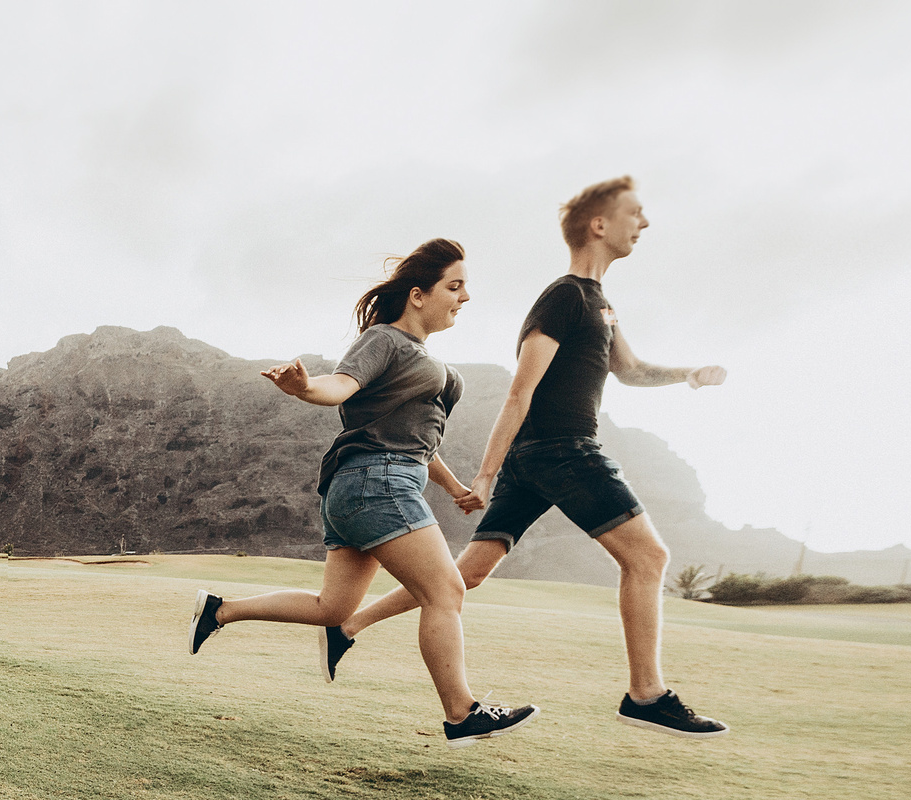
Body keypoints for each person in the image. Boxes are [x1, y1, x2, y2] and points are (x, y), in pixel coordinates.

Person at [329, 176, 731, 737]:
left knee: (469, 571)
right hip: (563, 449)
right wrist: (486, 474)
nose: (644, 223)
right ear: (598, 225)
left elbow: (631, 371)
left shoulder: (601, 304)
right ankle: (646, 694)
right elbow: (522, 388)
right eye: (634, 213)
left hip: (536, 458)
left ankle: (348, 626)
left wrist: (688, 373)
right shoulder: (565, 296)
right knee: (649, 558)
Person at [188, 239, 539, 748]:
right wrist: (303, 388)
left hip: (364, 485)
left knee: (334, 609)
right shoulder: (385, 340)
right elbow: (340, 385)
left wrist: (456, 486)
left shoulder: (418, 359)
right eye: (454, 286)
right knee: (446, 591)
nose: (464, 298)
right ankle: (462, 714)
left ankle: (218, 610)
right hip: (378, 482)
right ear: (418, 295)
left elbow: (418, 443)